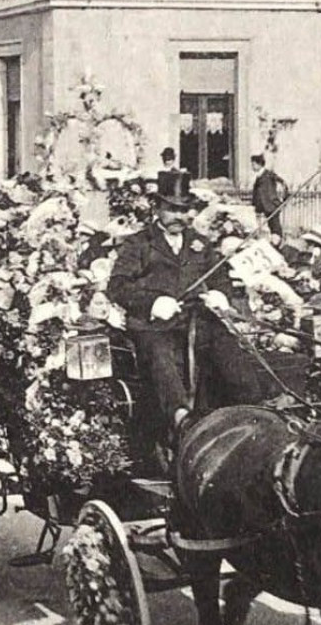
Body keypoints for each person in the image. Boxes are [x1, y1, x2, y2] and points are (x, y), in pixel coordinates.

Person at [105, 171, 256, 433]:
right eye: (172, 209)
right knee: (161, 354)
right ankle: (182, 421)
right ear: (157, 207)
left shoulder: (200, 243)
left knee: (228, 346)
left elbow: (221, 275)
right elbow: (117, 286)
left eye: (184, 210)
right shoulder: (139, 244)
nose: (179, 216)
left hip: (196, 321)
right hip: (153, 326)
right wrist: (153, 303)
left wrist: (221, 294)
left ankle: (255, 410)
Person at [249, 153, 287, 239]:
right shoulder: (259, 176)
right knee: (270, 228)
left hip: (271, 206)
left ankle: (279, 243)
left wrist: (283, 199)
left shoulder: (268, 174)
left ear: (259, 164)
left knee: (275, 228)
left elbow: (283, 183)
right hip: (264, 208)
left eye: (253, 164)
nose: (252, 167)